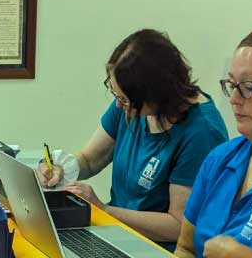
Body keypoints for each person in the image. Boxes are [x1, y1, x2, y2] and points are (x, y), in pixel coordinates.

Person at [38, 30, 228, 251]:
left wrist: (104, 210)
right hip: (115, 233)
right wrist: (61, 169)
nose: (119, 105)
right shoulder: (132, 106)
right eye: (116, 94)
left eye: (125, 100)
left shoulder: (201, 133)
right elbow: (90, 160)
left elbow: (179, 226)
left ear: (156, 93)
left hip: (156, 248)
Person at [176, 24, 252, 258]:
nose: (234, 99)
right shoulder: (219, 160)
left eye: (249, 87)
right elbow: (185, 248)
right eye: (232, 85)